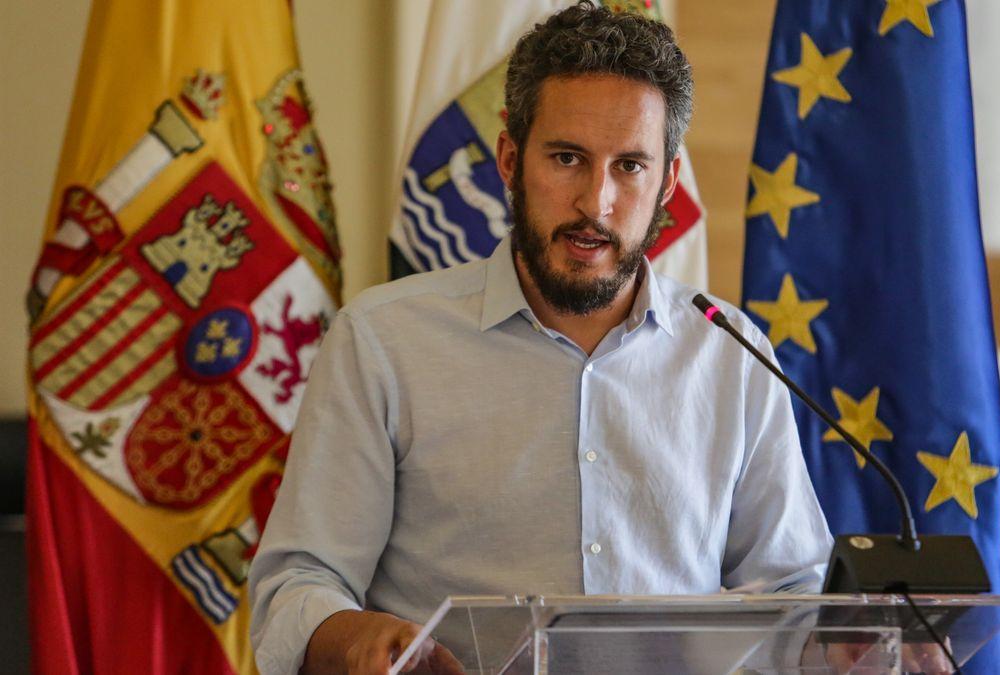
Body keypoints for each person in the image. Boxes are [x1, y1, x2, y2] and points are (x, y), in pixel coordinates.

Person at [249, 4, 832, 674]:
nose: (597, 202)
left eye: (630, 167)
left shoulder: (730, 350)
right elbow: (297, 583)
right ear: (508, 159)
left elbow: (796, 591)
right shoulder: (382, 341)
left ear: (668, 181)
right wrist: (352, 637)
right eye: (566, 158)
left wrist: (848, 647)